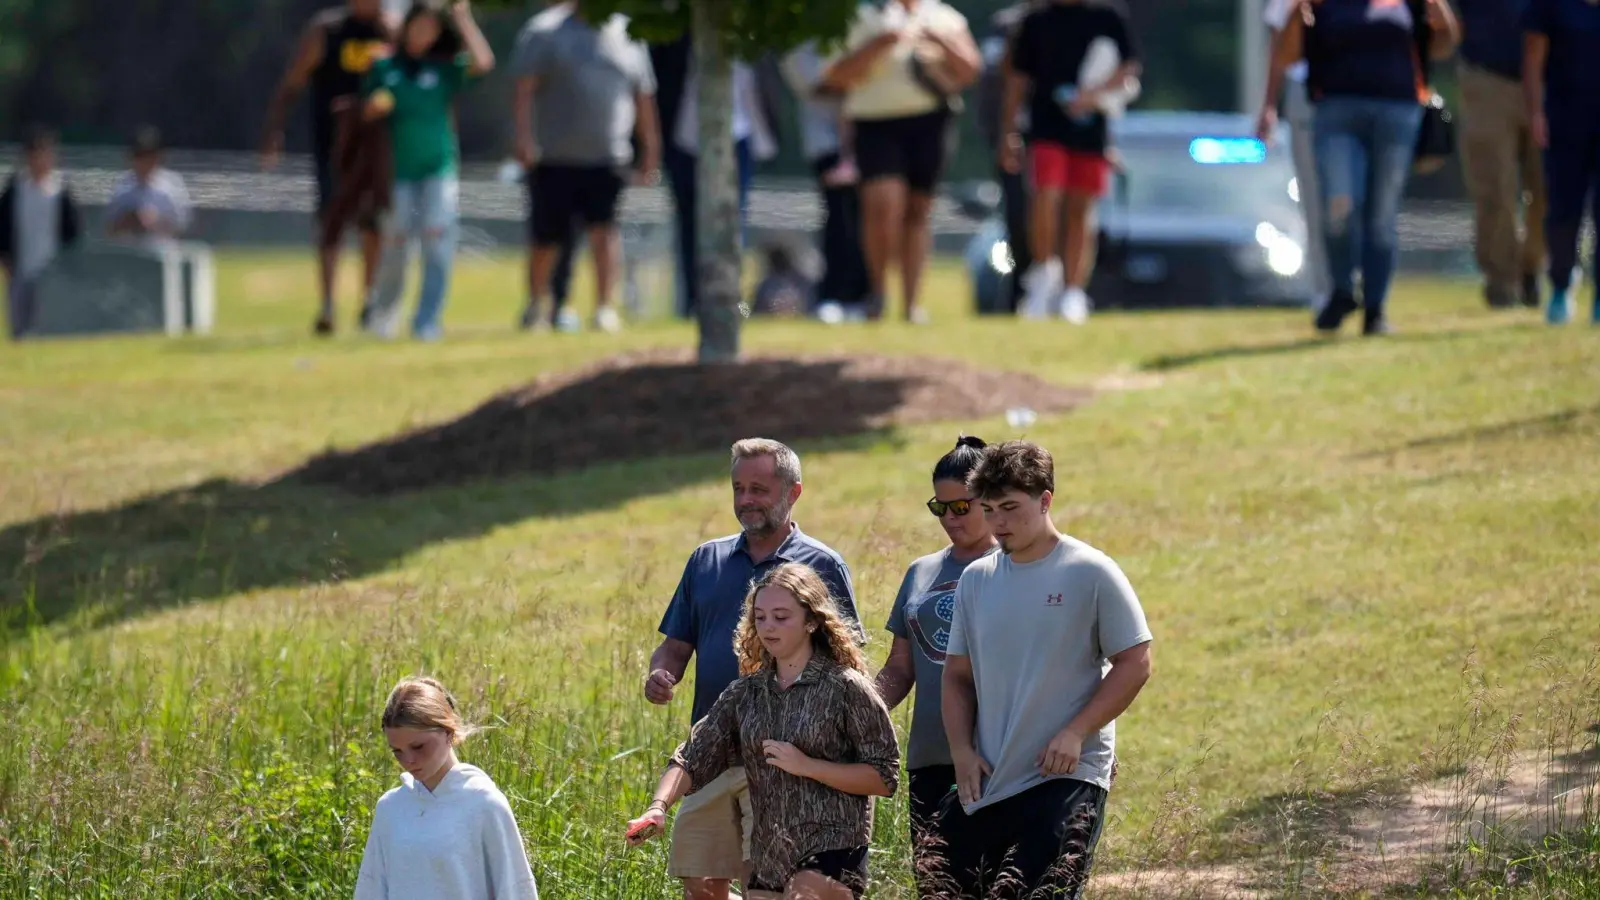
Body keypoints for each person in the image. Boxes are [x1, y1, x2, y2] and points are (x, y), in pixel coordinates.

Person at [644, 438, 864, 900]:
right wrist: (661, 675)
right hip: (711, 752)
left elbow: (847, 661)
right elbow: (675, 645)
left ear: (793, 492)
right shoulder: (707, 560)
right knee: (701, 885)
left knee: (762, 885)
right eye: (739, 488)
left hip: (784, 761)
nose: (746, 500)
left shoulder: (822, 564)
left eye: (759, 489)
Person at [935, 440, 1153, 899]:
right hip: (991, 777)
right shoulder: (977, 580)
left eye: (1011, 507)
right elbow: (956, 677)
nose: (998, 523)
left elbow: (1135, 663)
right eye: (990, 509)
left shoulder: (1090, 571)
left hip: (1067, 777)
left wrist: (1076, 732)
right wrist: (961, 751)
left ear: (1046, 499)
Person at [628, 562, 899, 900]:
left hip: (833, 847)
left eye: (781, 617)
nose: (768, 627)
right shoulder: (745, 693)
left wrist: (808, 766)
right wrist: (657, 807)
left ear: (812, 621)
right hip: (768, 856)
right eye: (760, 617)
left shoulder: (846, 687)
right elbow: (692, 756)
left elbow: (884, 777)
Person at [1266, 0, 1460, 336]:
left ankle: (1376, 309)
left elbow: (1442, 45)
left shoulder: (1408, 4)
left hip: (1397, 114)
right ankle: (1342, 287)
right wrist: (1298, 13)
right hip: (1336, 113)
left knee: (1381, 216)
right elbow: (1287, 55)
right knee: (1339, 206)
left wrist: (1439, 11)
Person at [871, 436, 998, 894]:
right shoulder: (920, 572)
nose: (949, 519)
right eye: (939, 507)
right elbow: (899, 668)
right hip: (930, 756)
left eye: (962, 507)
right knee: (939, 888)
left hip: (1002, 754)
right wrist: (858, 709)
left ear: (990, 497)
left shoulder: (1016, 565)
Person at [822, 0, 982, 324]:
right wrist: (880, 43)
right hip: (876, 123)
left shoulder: (944, 17)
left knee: (917, 211)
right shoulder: (861, 17)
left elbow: (971, 70)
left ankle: (911, 305)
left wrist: (940, 42)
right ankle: (878, 293)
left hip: (931, 122)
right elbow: (835, 76)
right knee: (882, 206)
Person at [511, 1, 660, 335]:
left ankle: (605, 308)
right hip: (553, 156)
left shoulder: (628, 33)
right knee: (546, 238)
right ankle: (536, 305)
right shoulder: (544, 31)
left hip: (609, 155)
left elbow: (643, 96)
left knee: (604, 232)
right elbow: (523, 89)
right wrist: (522, 138)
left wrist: (650, 148)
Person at [261, 0, 399, 337]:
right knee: (331, 223)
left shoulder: (392, 29)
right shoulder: (327, 30)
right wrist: (274, 130)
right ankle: (327, 304)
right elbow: (292, 82)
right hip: (334, 147)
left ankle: (369, 300)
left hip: (378, 147)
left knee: (373, 224)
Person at [360, 0, 495, 342]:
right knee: (396, 243)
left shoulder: (444, 70)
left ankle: (426, 322)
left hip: (438, 169)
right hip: (398, 172)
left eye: (431, 29)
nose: (423, 35)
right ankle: (384, 317)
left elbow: (483, 62)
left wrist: (462, 17)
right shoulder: (385, 65)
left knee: (437, 240)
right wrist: (374, 106)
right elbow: (364, 109)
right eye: (418, 26)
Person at [1001, 0, 1141, 324]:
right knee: (1046, 196)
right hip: (1045, 128)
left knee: (1081, 210)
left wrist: (1091, 96)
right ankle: (1043, 275)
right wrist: (1008, 133)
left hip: (1092, 130)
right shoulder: (1035, 21)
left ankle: (1073, 291)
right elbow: (1017, 81)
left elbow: (1128, 68)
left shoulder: (1108, 17)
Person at [354, 675, 539, 899]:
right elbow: (370, 890)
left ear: (448, 732)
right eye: (397, 751)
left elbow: (516, 890)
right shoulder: (391, 808)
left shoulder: (485, 804)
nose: (408, 760)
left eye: (419, 746)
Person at [1456, 0, 1546, 310]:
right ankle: (1502, 281)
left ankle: (1532, 265)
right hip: (1487, 78)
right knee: (1495, 189)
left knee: (1549, 190)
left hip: (1550, 80)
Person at [781, 40, 872, 318]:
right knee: (840, 220)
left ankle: (865, 295)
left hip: (869, 142)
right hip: (827, 144)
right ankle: (836, 295)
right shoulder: (800, 42)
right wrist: (863, 68)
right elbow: (824, 83)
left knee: (867, 222)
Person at [1523, 0, 1600, 325]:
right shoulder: (1552, 5)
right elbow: (1533, 59)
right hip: (1565, 121)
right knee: (1563, 210)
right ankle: (1561, 285)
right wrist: (1536, 113)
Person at [1256, 0, 1334, 308]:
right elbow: (1278, 47)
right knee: (1315, 197)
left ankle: (1363, 280)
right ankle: (1326, 287)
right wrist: (1269, 105)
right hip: (1310, 92)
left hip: (1363, 89)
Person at [0, 127, 82, 340]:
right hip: (21, 268)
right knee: (19, 325)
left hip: (51, 269)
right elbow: (4, 226)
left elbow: (72, 232)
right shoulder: (16, 189)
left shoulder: (59, 191)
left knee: (47, 327)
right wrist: (6, 257)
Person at [105, 128, 192, 242]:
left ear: (158, 157)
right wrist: (129, 220)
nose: (145, 161)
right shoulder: (122, 186)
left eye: (149, 155)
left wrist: (155, 222)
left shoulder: (172, 185)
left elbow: (182, 227)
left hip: (162, 251)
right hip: (128, 251)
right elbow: (110, 228)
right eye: (139, 155)